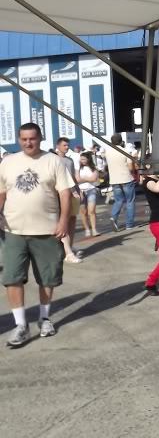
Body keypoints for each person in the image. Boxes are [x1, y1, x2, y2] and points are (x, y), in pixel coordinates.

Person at [1, 123, 75, 347]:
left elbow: (65, 192)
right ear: (19, 139)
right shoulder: (7, 162)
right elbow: (1, 191)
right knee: (12, 278)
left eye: (32, 139)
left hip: (47, 230)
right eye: (23, 139)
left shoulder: (53, 161)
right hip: (13, 231)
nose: (28, 143)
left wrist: (63, 220)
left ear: (40, 138)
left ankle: (44, 318)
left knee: (46, 277)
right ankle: (20, 325)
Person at [53, 138, 82, 264]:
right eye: (64, 145)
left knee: (72, 219)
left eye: (68, 145)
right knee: (63, 220)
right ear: (58, 146)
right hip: (61, 194)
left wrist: (78, 190)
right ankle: (67, 252)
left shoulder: (69, 160)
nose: (67, 147)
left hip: (73, 193)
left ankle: (69, 246)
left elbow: (73, 178)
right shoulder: (54, 160)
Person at [105, 134, 137, 231]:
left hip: (114, 180)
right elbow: (131, 167)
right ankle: (129, 224)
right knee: (130, 201)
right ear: (121, 141)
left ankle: (114, 217)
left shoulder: (108, 152)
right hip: (126, 178)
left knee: (118, 200)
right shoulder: (125, 151)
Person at [76, 151, 100, 238]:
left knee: (92, 211)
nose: (81, 160)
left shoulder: (93, 168)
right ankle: (87, 229)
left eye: (83, 159)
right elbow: (77, 179)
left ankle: (94, 229)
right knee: (83, 212)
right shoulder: (78, 168)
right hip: (81, 191)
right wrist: (88, 179)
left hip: (91, 190)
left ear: (88, 159)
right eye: (81, 159)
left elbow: (94, 178)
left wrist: (83, 178)